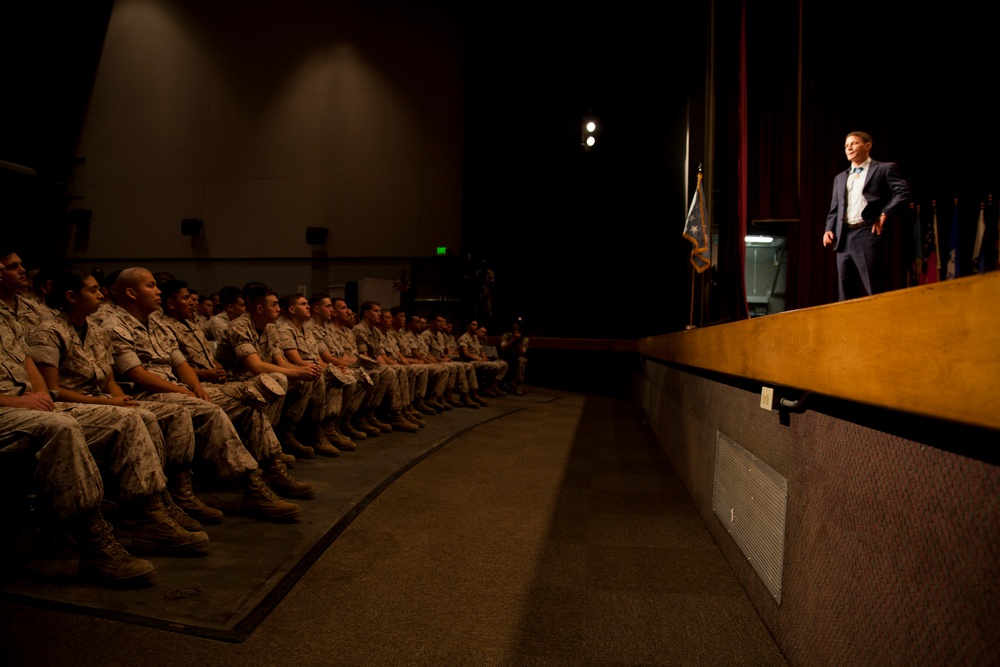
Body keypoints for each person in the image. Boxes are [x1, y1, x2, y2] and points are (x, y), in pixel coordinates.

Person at [823, 131, 911, 301]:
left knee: (874, 287)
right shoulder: (840, 178)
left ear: (867, 146)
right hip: (843, 238)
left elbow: (903, 193)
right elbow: (834, 209)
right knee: (845, 291)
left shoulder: (884, 169)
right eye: (846, 146)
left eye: (854, 143)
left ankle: (880, 324)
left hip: (867, 233)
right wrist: (828, 229)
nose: (849, 148)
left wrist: (885, 213)